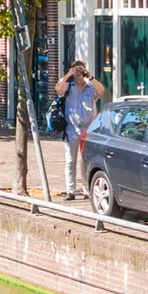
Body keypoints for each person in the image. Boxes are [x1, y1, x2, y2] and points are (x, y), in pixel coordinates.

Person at [54, 60, 107, 201]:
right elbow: (57, 88)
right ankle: (70, 191)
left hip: (88, 129)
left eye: (81, 70)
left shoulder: (90, 88)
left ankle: (86, 190)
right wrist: (68, 74)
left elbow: (102, 90)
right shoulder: (68, 87)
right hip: (72, 128)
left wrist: (89, 76)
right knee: (70, 160)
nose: (78, 73)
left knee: (86, 160)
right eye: (76, 70)